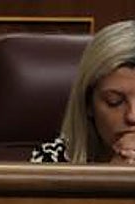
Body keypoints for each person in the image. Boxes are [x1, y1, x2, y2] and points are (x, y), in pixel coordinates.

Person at [31, 19, 135, 163]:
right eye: (115, 101)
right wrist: (113, 177)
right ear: (88, 104)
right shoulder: (52, 160)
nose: (132, 116)